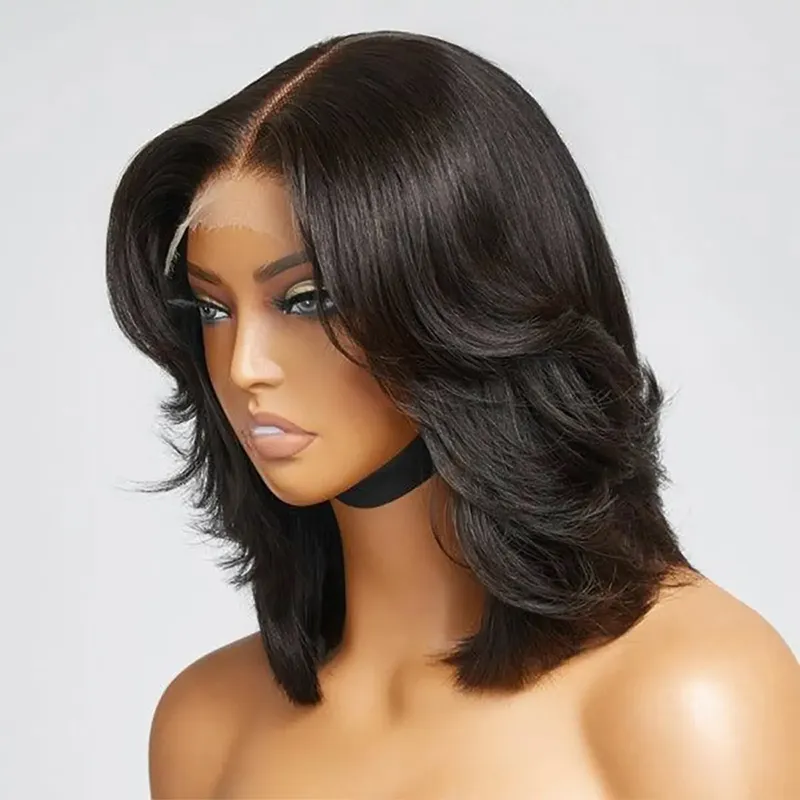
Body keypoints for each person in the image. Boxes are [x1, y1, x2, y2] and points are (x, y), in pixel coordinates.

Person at [106, 30, 799, 799]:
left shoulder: (692, 697)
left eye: (307, 300)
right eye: (213, 308)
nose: (244, 366)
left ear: (465, 301)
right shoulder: (209, 726)